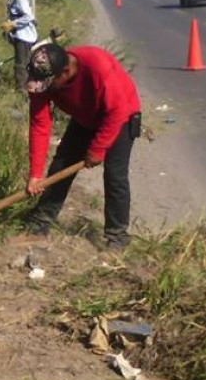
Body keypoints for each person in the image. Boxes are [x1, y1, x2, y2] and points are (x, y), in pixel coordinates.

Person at [23, 43, 142, 249]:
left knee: (115, 175)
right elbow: (40, 124)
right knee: (61, 166)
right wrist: (35, 174)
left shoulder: (97, 66)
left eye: (49, 84)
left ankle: (117, 237)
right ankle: (40, 223)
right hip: (85, 117)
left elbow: (117, 111)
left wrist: (97, 149)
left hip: (121, 117)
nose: (44, 89)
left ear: (66, 71)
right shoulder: (42, 78)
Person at [0, 0, 38, 90]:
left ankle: (23, 91)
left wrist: (13, 24)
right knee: (28, 64)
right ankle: (32, 87)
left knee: (20, 66)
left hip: (25, 37)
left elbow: (29, 16)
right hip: (20, 35)